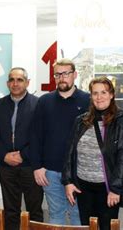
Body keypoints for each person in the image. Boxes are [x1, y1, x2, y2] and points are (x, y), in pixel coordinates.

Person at [62, 76, 123, 230]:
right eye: (95, 93)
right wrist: (68, 182)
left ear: (111, 94)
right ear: (91, 96)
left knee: (106, 227)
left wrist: (115, 189)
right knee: (87, 227)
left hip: (107, 188)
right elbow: (70, 153)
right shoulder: (81, 121)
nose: (99, 97)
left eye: (103, 92)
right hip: (83, 187)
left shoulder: (121, 120)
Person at [30, 58, 90, 225]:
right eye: (57, 74)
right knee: (56, 215)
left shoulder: (88, 100)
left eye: (66, 73)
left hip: (79, 171)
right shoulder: (44, 101)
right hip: (50, 171)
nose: (61, 78)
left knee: (78, 215)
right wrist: (37, 167)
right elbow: (35, 136)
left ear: (75, 75)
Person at [0, 67, 43, 230]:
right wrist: (4, 155)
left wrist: (22, 155)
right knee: (11, 211)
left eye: (20, 80)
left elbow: (41, 135)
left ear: (27, 82)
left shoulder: (38, 104)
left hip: (30, 166)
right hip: (6, 166)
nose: (15, 83)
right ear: (7, 83)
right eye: (12, 80)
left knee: (34, 212)